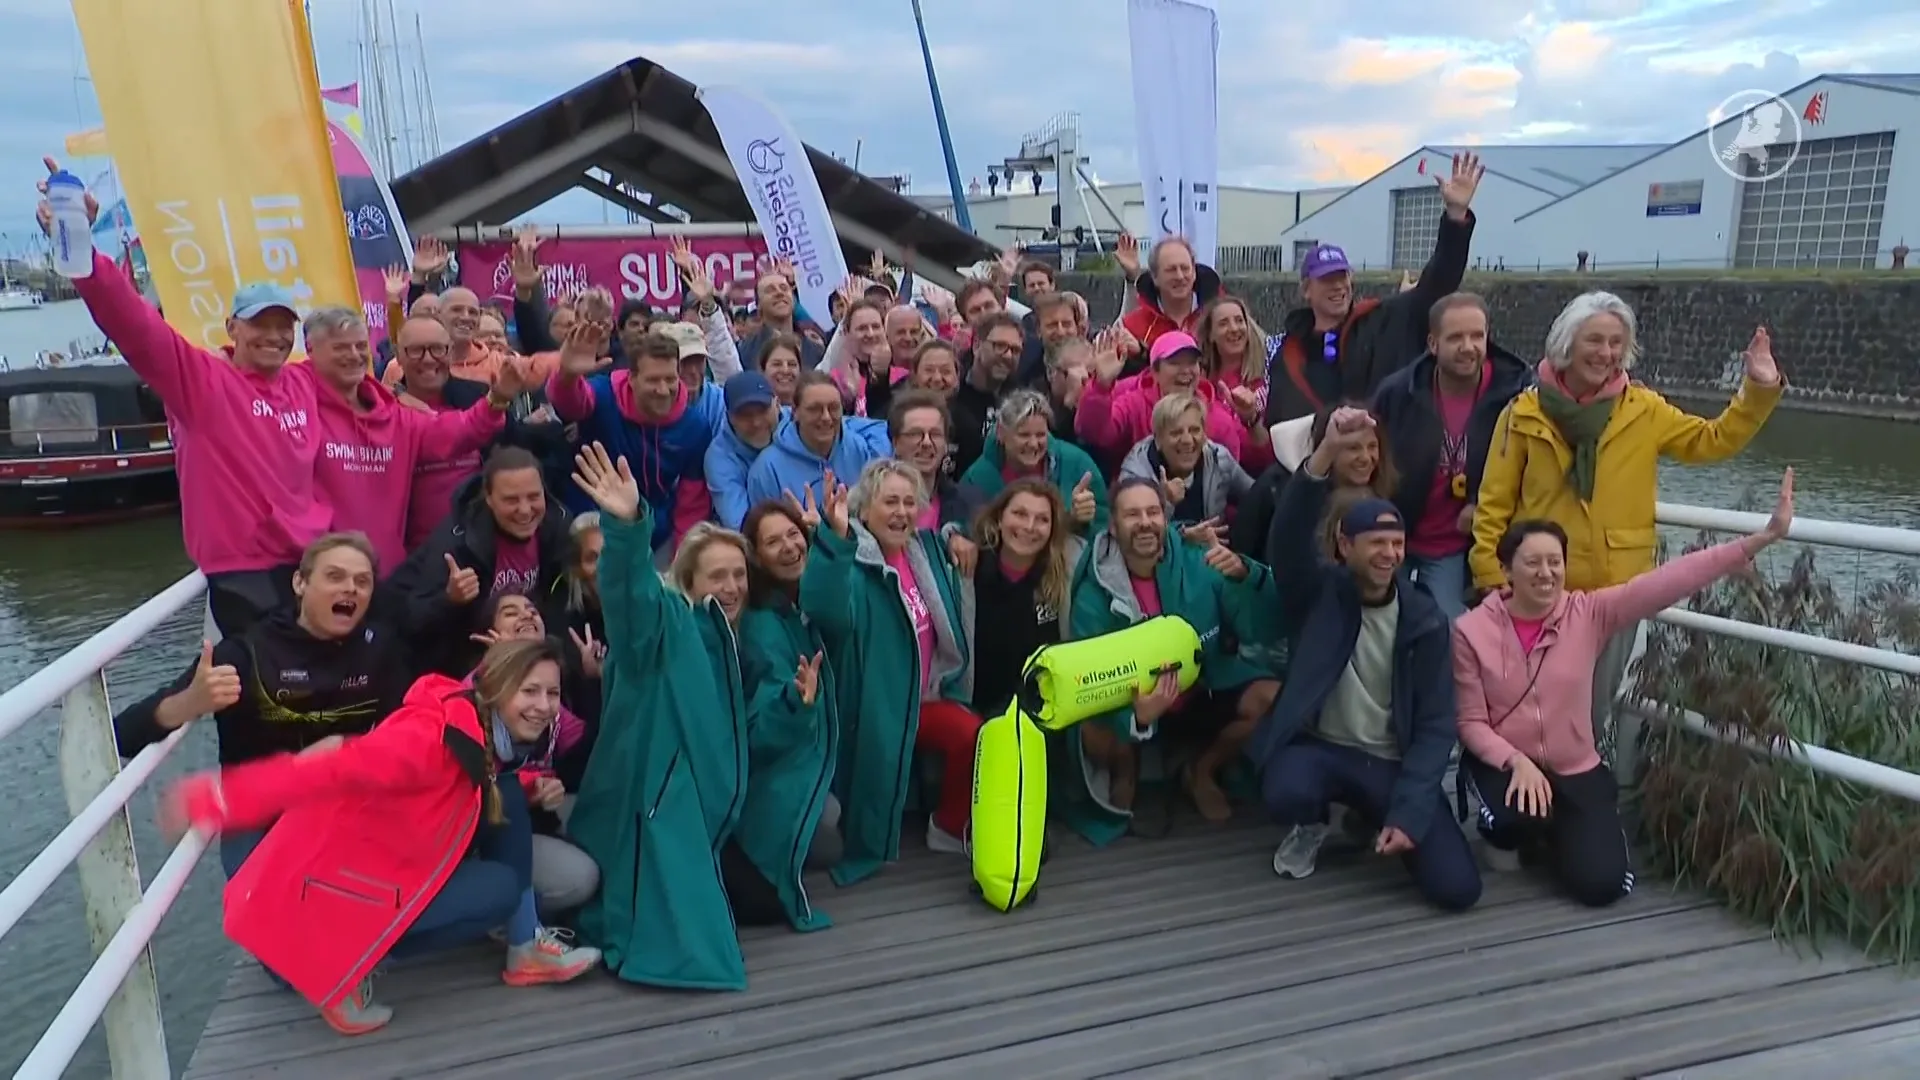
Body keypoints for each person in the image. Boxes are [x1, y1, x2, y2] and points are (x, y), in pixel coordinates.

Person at [166, 638, 602, 1036]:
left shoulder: (474, 729)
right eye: (530, 691)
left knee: (505, 792)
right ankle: (343, 975)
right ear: (497, 689)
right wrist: (215, 800)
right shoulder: (428, 739)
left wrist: (529, 785)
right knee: (499, 889)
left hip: (368, 874)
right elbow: (332, 768)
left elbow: (471, 785)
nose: (544, 706)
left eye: (552, 694)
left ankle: (525, 948)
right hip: (327, 906)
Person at [1455, 470, 1796, 906]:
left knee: (1601, 885)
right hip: (1507, 764)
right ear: (1506, 569)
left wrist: (1758, 540)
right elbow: (1468, 720)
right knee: (1509, 814)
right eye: (1532, 563)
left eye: (1555, 562)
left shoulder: (1589, 613)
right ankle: (1508, 830)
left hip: (1574, 765)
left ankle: (1559, 829)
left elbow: (1667, 581)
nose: (1546, 573)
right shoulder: (1471, 631)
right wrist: (1514, 759)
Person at [1470, 293, 1783, 766]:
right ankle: (1521, 810)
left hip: (1616, 595)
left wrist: (1757, 389)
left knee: (1590, 715)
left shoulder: (1643, 410)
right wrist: (1491, 579)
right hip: (1538, 591)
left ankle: (1570, 811)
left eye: (1617, 342)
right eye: (1594, 340)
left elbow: (1711, 441)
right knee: (1525, 708)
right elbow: (1493, 504)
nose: (1606, 353)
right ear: (1566, 344)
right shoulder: (1523, 414)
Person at [565, 445, 818, 989]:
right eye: (716, 577)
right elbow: (629, 601)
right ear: (689, 581)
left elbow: (751, 736)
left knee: (784, 888)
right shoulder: (663, 628)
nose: (730, 588)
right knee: (684, 932)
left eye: (738, 576)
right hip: (659, 812)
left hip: (718, 814)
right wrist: (628, 527)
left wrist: (796, 707)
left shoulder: (742, 640)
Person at [42, 158, 326, 635]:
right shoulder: (204, 383)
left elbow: (367, 388)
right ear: (232, 328)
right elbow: (136, 327)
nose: (274, 337)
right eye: (261, 325)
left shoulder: (303, 382)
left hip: (311, 564)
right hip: (244, 571)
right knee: (254, 695)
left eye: (284, 327)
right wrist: (83, 252)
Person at [1250, 406, 1480, 912]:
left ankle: (1373, 816)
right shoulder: (1318, 594)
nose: (1388, 555)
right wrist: (1327, 450)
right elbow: (1287, 540)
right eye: (1375, 543)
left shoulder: (1424, 621)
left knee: (1458, 889)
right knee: (1285, 788)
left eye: (1397, 545)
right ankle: (1312, 822)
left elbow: (1438, 726)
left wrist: (1409, 812)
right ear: (1343, 546)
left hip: (1388, 762)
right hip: (1322, 748)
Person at [115, 533, 410, 878]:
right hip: (260, 815)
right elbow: (121, 735)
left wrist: (345, 749)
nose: (351, 589)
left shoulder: (379, 650)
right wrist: (189, 703)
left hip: (345, 804)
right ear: (300, 583)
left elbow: (406, 732)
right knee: (266, 903)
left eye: (363, 582)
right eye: (334, 576)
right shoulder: (244, 655)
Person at [1061, 479, 1283, 841]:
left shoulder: (1200, 561)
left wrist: (1247, 575)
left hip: (1200, 686)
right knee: (1087, 728)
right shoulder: (1093, 590)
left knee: (1273, 698)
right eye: (1132, 515)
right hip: (1131, 698)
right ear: (1113, 528)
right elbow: (1088, 678)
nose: (1145, 522)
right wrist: (1135, 717)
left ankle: (1202, 769)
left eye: (1153, 512)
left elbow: (1264, 629)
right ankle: (1126, 769)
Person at [800, 459, 976, 878]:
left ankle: (949, 827)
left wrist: (957, 537)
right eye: (890, 502)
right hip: (873, 707)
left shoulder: (927, 553)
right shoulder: (853, 564)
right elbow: (826, 612)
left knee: (976, 735)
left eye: (910, 502)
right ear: (864, 511)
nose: (901, 512)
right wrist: (834, 540)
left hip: (926, 698)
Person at [305, 306, 531, 574]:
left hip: (391, 574)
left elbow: (458, 430)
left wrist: (497, 399)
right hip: (323, 573)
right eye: (341, 347)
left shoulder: (393, 415)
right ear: (310, 349)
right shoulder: (299, 407)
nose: (354, 355)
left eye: (359, 345)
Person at [1264, 153, 1483, 426]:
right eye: (1326, 280)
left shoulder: (1383, 320)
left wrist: (1455, 218)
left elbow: (1438, 284)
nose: (1338, 286)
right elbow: (1279, 422)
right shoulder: (1288, 354)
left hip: (1382, 457)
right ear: (1306, 290)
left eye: (1342, 277)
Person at [1369, 293, 1532, 619]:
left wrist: (1478, 500)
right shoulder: (1399, 392)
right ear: (1433, 343)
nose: (1468, 347)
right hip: (1396, 532)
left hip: (1456, 546)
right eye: (1456, 337)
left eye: (1477, 336)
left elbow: (1532, 467)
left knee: (1448, 626)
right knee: (1380, 621)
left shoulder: (1516, 393)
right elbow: (1369, 458)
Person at [739, 499, 851, 906]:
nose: (788, 547)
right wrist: (794, 702)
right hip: (778, 767)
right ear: (755, 556)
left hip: (820, 747)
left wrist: (834, 537)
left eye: (792, 534)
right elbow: (762, 723)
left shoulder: (799, 600)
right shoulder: (763, 624)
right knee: (829, 829)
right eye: (773, 542)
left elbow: (838, 613)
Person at [384, 446, 571, 676]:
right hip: (453, 666)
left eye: (533, 496)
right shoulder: (457, 544)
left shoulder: (557, 527)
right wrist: (450, 599)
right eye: (511, 500)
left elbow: (559, 601)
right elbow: (411, 621)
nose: (525, 510)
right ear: (489, 499)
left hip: (521, 658)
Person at [547, 325, 725, 551]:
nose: (663, 389)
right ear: (631, 378)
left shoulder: (694, 426)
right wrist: (567, 376)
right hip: (594, 522)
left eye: (670, 379)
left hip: (655, 531)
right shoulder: (604, 395)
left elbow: (692, 504)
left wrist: (682, 563)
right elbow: (570, 404)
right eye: (653, 380)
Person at [958, 479, 1083, 720]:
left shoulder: (1065, 576)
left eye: (1042, 519)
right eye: (1019, 513)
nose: (1029, 526)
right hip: (976, 717)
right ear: (999, 518)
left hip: (1042, 720)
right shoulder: (968, 570)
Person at [1077, 331, 1271, 472]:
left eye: (1192, 363)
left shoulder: (1218, 416)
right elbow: (1093, 433)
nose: (1186, 370)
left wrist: (1251, 420)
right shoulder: (1134, 404)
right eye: (1175, 363)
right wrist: (1101, 385)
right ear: (1155, 372)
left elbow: (1256, 463)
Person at [959, 389, 1106, 535]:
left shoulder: (1078, 464)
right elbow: (967, 535)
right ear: (1001, 433)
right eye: (1024, 435)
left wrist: (1079, 521)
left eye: (1041, 435)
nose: (1033, 444)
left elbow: (1103, 530)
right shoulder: (976, 479)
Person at [745, 371, 891, 510]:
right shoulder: (767, 470)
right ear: (795, 412)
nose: (826, 417)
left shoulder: (857, 448)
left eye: (833, 408)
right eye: (815, 409)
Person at [1120, 392, 1256, 529]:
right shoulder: (1135, 475)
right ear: (1158, 439)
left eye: (1194, 430)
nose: (1187, 440)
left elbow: (1257, 497)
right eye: (1176, 433)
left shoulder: (1219, 460)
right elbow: (1134, 539)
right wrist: (1166, 504)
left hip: (1213, 547)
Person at [948, 312, 1026, 476]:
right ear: (976, 345)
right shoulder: (951, 391)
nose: (1008, 355)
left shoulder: (1021, 402)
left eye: (1015, 350)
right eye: (1000, 346)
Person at [706, 371, 784, 529]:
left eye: (762, 411)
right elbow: (741, 526)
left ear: (777, 404)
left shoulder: (799, 424)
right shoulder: (719, 457)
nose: (756, 422)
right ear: (729, 417)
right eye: (744, 415)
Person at [1117, 235, 1223, 348]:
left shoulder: (1221, 314)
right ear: (1155, 277)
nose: (1180, 276)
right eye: (1171, 270)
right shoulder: (1135, 326)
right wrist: (1132, 277)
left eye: (1185, 268)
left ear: (1194, 273)